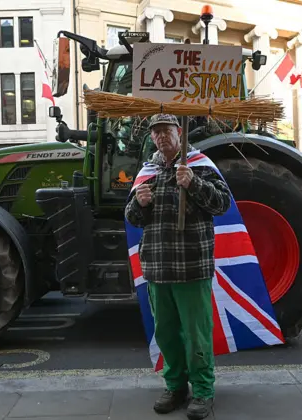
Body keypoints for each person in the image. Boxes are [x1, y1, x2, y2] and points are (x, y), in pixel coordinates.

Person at [124, 114, 232, 420]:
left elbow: (222, 204)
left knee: (197, 334)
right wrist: (139, 204)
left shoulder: (200, 165)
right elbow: (133, 217)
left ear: (179, 132)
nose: (160, 136)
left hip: (191, 265)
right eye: (155, 132)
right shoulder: (147, 171)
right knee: (167, 333)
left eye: (165, 130)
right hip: (157, 268)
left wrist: (194, 183)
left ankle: (202, 391)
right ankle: (175, 387)